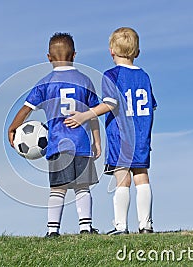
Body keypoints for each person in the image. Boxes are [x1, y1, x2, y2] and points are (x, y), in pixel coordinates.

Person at [64, 27, 157, 235]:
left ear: (111, 51)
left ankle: (120, 226)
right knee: (142, 176)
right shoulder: (144, 76)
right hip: (141, 136)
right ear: (137, 52)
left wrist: (84, 116)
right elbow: (151, 106)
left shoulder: (111, 75)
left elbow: (109, 103)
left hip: (121, 137)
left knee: (122, 178)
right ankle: (146, 225)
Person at [8, 32, 101, 237]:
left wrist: (12, 128)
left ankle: (52, 231)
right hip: (82, 144)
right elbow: (93, 114)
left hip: (58, 144)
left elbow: (26, 109)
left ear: (48, 57)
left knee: (58, 189)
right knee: (83, 187)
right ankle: (85, 227)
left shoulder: (45, 82)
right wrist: (97, 140)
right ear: (74, 55)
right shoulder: (85, 80)